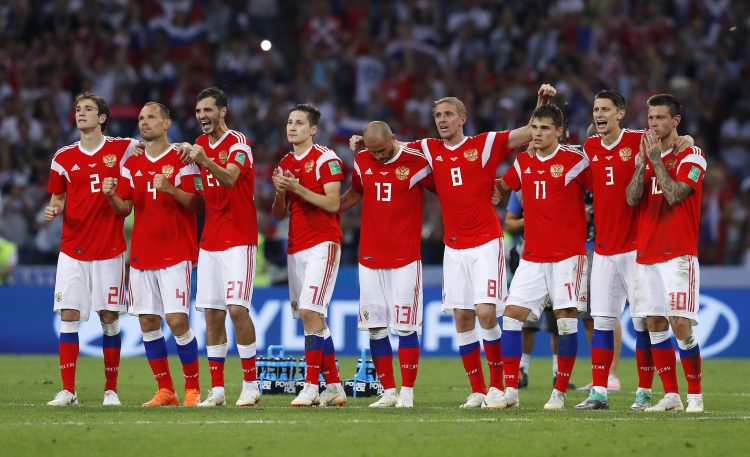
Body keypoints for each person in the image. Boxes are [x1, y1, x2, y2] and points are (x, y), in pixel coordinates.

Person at [352, 84, 556, 408]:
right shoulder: (429, 149)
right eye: (437, 115)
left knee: (486, 312)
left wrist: (540, 104)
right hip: (454, 246)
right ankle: (477, 390)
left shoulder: (484, 144)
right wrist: (363, 142)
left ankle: (499, 388)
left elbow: (528, 133)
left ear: (463, 118)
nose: (442, 119)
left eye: (448, 114)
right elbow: (392, 145)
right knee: (462, 318)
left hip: (487, 241)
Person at [575, 90, 694, 411]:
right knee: (601, 320)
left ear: (621, 113)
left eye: (605, 109)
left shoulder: (640, 139)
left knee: (645, 322)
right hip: (602, 249)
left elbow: (672, 137)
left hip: (637, 249)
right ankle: (599, 391)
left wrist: (688, 139)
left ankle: (645, 392)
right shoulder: (590, 148)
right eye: (595, 109)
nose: (599, 114)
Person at [103, 102, 204, 407]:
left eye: (151, 118)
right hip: (142, 254)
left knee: (176, 320)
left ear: (166, 123)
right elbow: (125, 208)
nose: (144, 123)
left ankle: (193, 389)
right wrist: (111, 196)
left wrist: (171, 189)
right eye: (141, 118)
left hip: (176, 251)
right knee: (148, 322)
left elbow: (198, 203)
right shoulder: (131, 164)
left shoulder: (183, 158)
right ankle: (166, 390)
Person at [45, 93, 140, 406]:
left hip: (110, 249)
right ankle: (68, 390)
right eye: (77, 109)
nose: (81, 113)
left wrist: (182, 147)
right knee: (69, 315)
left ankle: (110, 389)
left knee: (109, 317)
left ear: (102, 117)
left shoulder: (121, 147)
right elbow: (57, 197)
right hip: (72, 249)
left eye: (88, 109)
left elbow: (154, 147)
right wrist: (54, 208)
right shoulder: (62, 158)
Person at [495, 104, 589, 410]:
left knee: (565, 321)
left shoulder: (575, 160)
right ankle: (510, 390)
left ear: (559, 131)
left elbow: (603, 190)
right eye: (534, 128)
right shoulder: (523, 162)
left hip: (567, 256)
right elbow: (501, 187)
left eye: (545, 128)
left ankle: (559, 393)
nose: (537, 134)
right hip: (532, 255)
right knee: (511, 318)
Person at [340, 121, 432, 408]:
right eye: (372, 151)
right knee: (376, 328)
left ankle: (407, 392)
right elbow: (355, 192)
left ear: (394, 138)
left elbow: (445, 190)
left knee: (405, 328)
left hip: (404, 258)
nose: (377, 156)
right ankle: (388, 391)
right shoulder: (362, 159)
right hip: (369, 257)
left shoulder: (416, 163)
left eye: (382, 150)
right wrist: (329, 208)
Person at [626, 94, 705, 413]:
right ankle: (671, 396)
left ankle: (696, 396)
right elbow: (632, 199)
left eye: (660, 118)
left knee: (679, 323)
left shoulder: (693, 156)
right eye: (650, 118)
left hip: (678, 253)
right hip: (646, 253)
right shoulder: (646, 154)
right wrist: (642, 163)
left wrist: (656, 159)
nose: (653, 123)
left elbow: (674, 196)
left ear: (676, 121)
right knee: (655, 322)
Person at [182, 87, 260, 407]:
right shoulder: (199, 145)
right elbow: (202, 193)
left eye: (208, 110)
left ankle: (251, 384)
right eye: (198, 111)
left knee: (237, 309)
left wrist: (205, 160)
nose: (202, 116)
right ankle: (217, 390)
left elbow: (229, 178)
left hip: (239, 238)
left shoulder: (238, 143)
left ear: (223, 111)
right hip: (210, 240)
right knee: (212, 314)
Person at [271, 104, 346, 407]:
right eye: (290, 122)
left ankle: (311, 386)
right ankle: (335, 387)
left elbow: (332, 204)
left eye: (300, 123)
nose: (293, 127)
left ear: (313, 129)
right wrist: (280, 192)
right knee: (313, 317)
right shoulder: (286, 161)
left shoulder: (327, 159)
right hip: (296, 246)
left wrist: (297, 188)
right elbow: (279, 214)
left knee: (309, 312)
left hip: (323, 244)